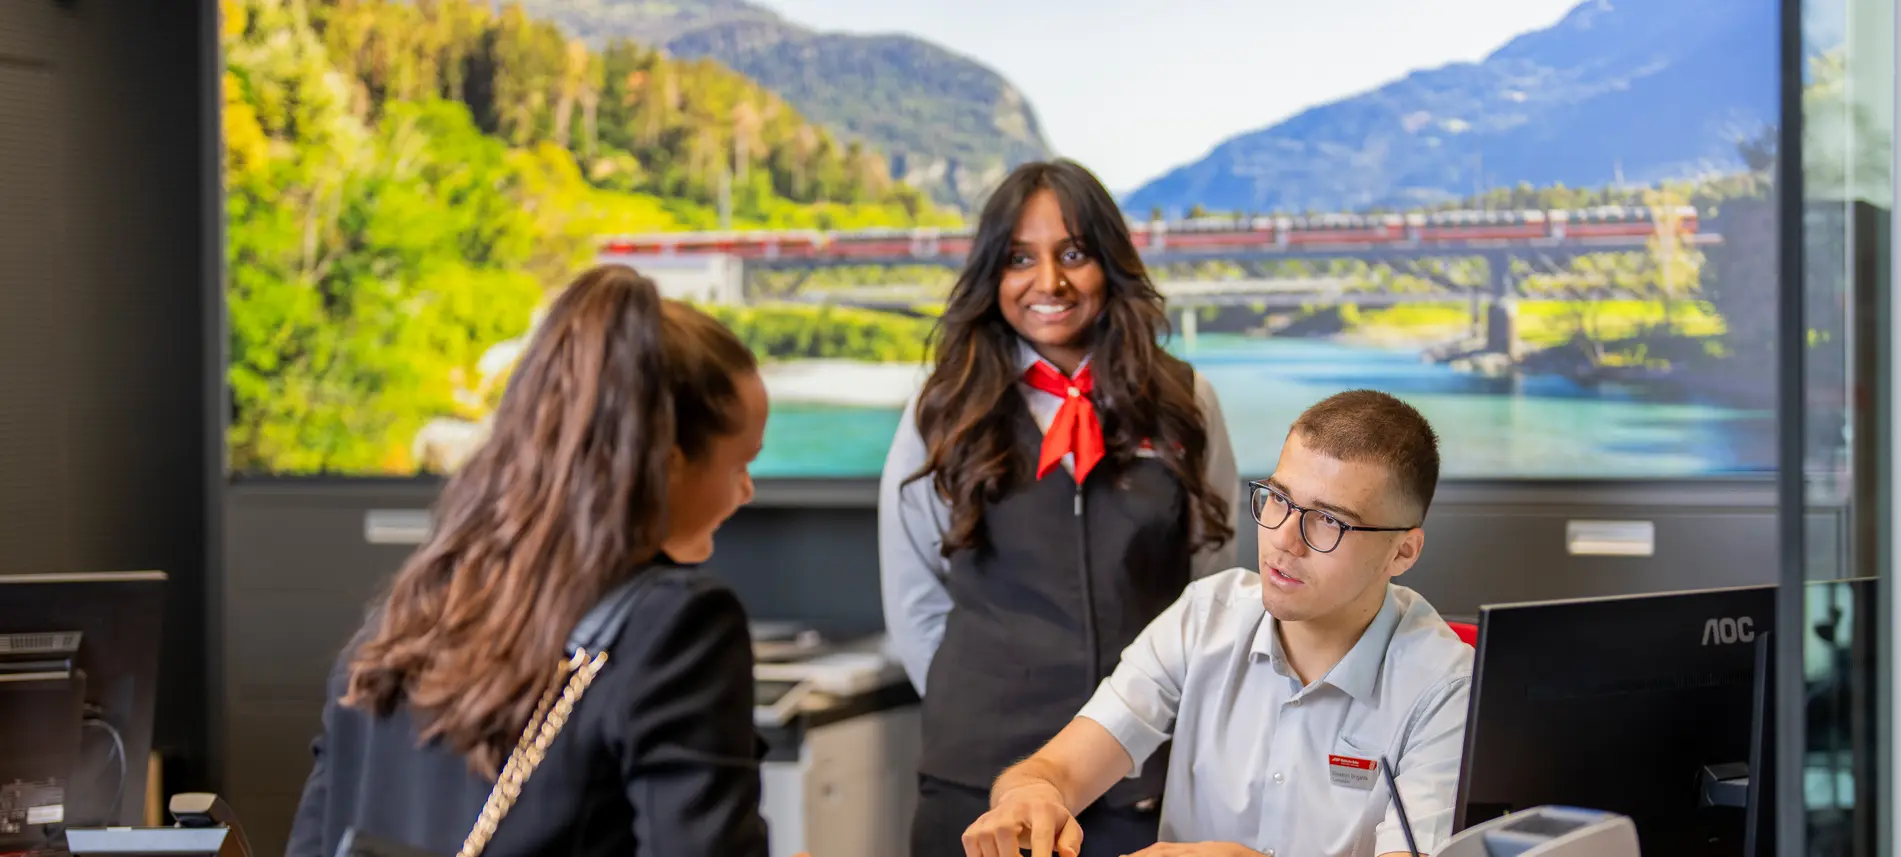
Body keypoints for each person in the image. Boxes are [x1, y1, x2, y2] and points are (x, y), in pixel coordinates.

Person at [286, 265, 772, 857]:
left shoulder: (402, 619)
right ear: (667, 466)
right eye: (740, 464)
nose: (746, 491)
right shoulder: (678, 627)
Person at [880, 159, 1241, 857]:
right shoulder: (942, 405)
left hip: (1141, 783)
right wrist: (980, 701)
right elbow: (914, 597)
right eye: (1020, 258)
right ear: (993, 273)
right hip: (976, 787)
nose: (1049, 282)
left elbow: (1211, 592)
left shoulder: (1186, 401)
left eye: (1073, 253)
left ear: (1110, 262)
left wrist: (1136, 726)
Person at [961, 390, 1475, 857]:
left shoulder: (1448, 686)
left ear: (1403, 551)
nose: (1284, 541)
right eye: (1279, 498)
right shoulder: (1207, 614)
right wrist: (1031, 796)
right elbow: (1059, 769)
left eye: (1330, 521)